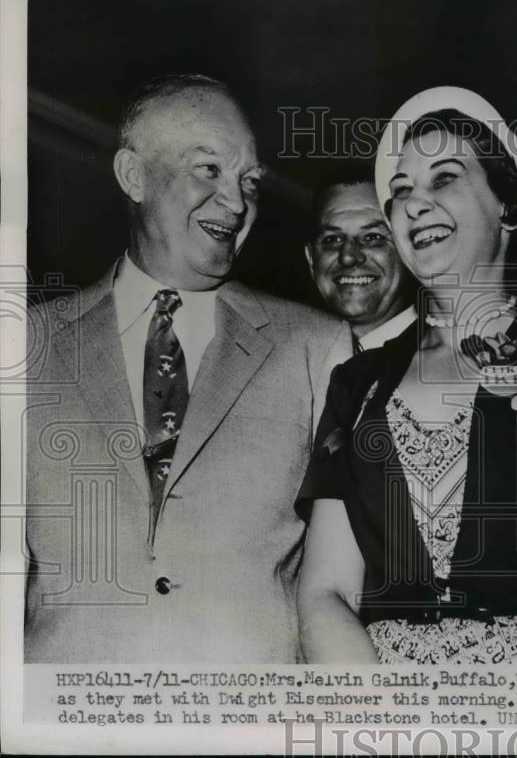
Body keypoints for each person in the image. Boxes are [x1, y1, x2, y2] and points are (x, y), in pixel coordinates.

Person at [296, 86, 517, 664]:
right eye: (401, 190)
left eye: (444, 179)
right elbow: (325, 592)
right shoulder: (355, 384)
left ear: (509, 207)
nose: (412, 204)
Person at [24, 74, 351, 662]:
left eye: (249, 180)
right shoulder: (28, 345)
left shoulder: (317, 346)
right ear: (134, 175)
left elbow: (342, 587)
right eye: (209, 170)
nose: (237, 201)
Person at [305, 161, 417, 351]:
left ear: (409, 250)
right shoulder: (291, 354)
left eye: (372, 237)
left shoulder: (456, 361)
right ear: (310, 258)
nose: (348, 257)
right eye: (332, 239)